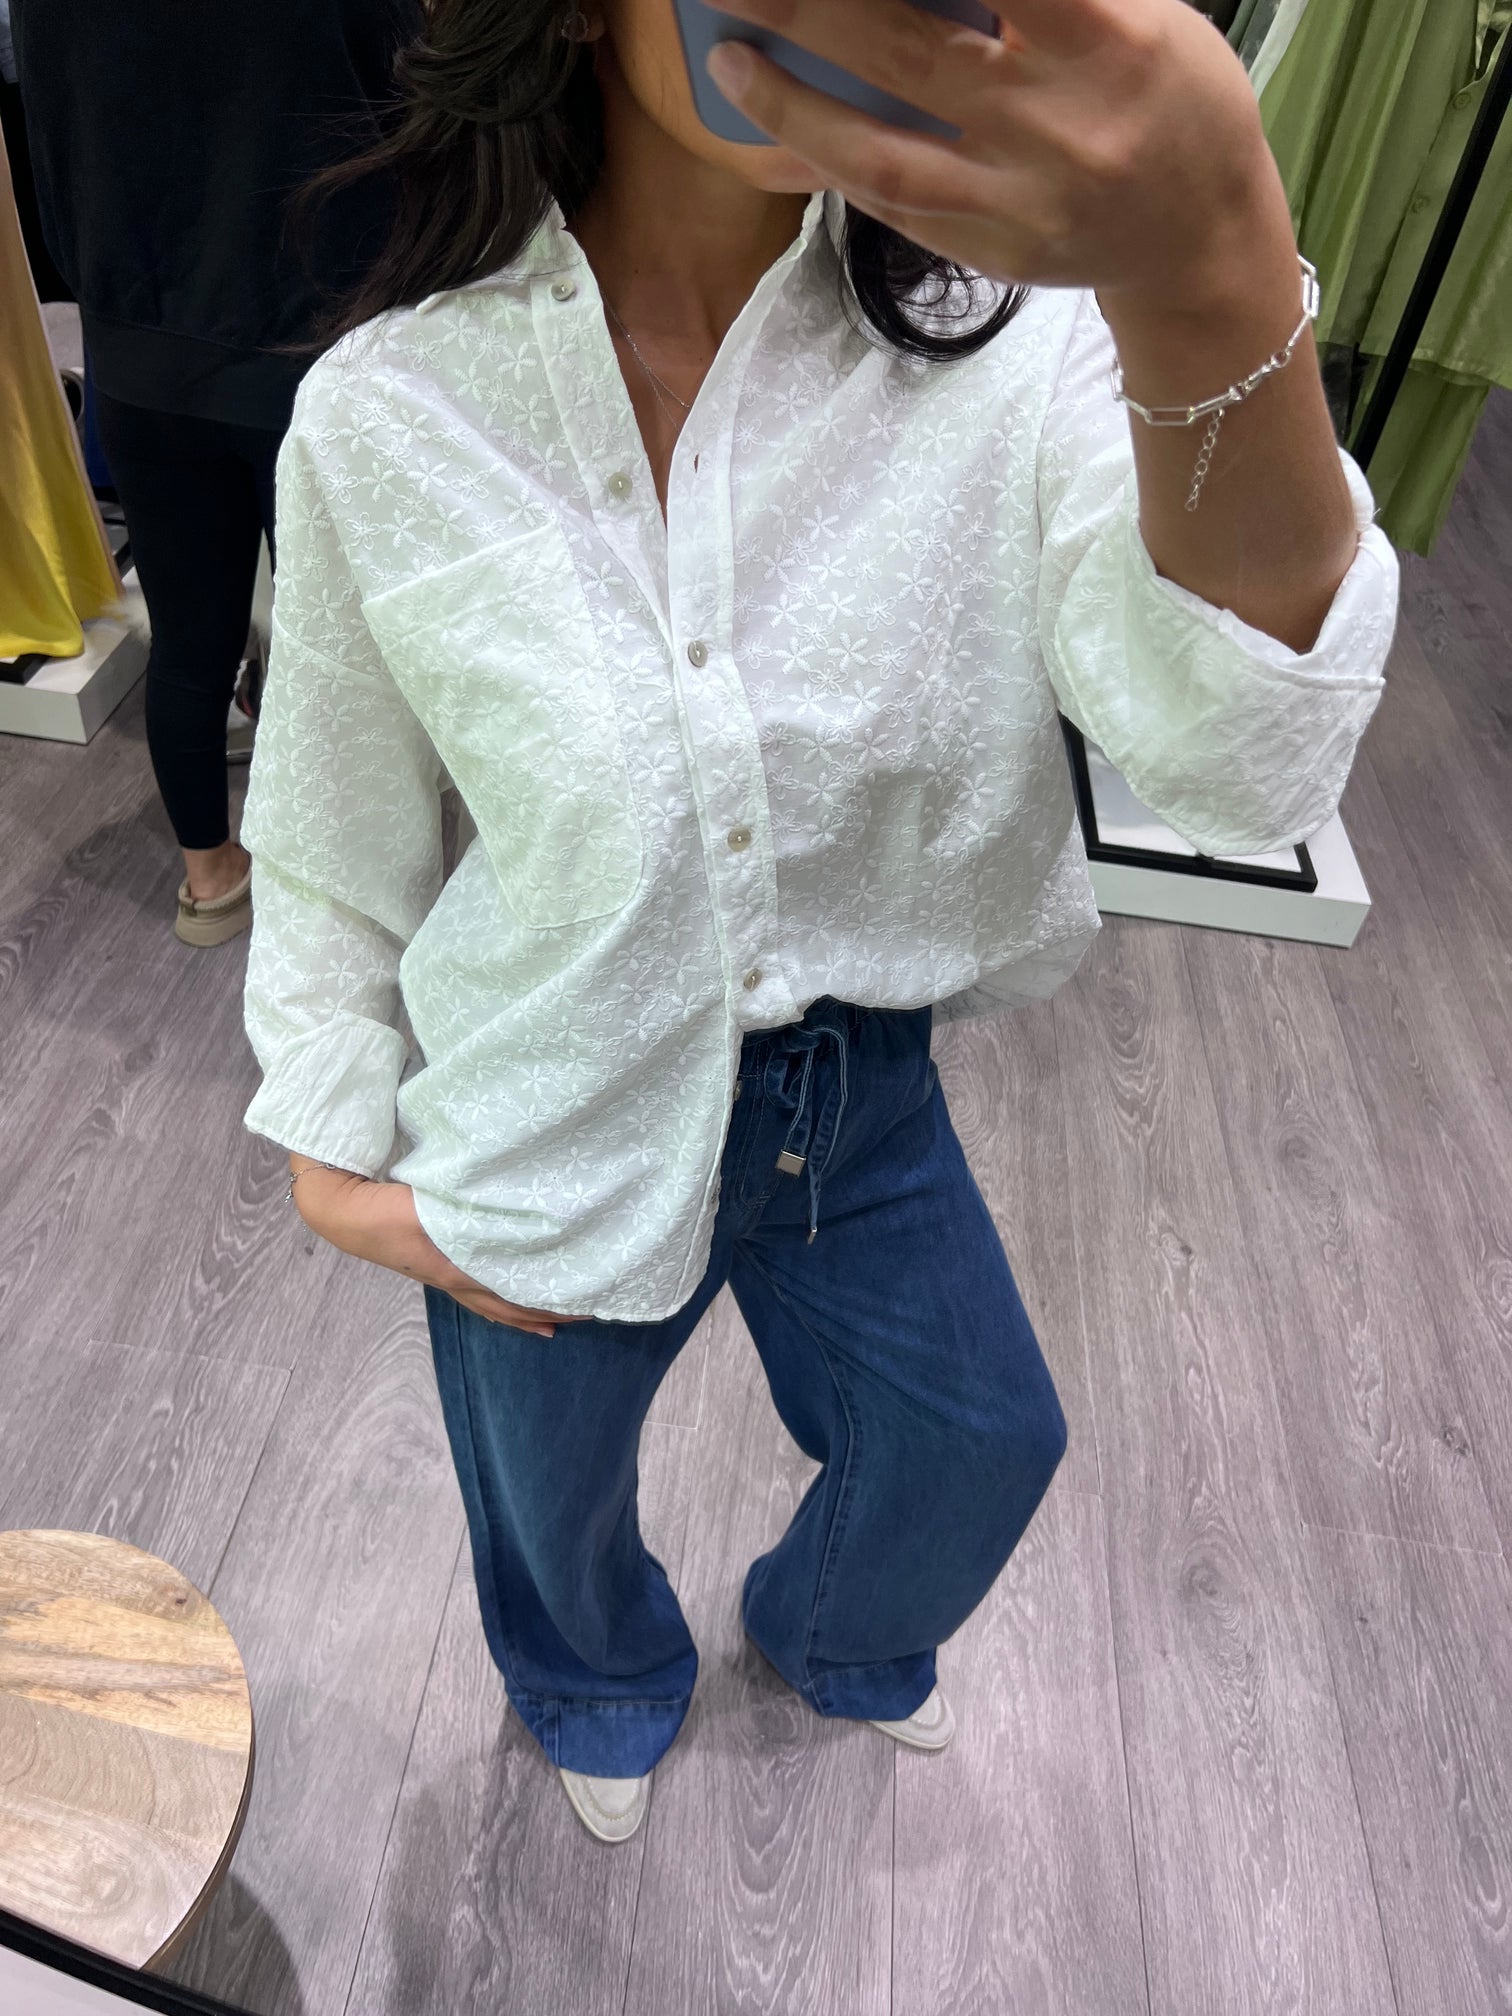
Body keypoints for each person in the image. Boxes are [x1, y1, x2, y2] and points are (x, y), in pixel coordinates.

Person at [241, 0, 1398, 1844]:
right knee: (546, 1492)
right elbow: (330, 826)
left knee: (979, 1442)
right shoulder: (394, 412)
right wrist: (331, 1149)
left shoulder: (1030, 355)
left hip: (860, 1099)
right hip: (551, 1093)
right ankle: (593, 1680)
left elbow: (1247, 764)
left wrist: (1213, 268)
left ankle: (834, 1634)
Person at [9, 0, 421, 945]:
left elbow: (48, 142)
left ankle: (210, 878)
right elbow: (404, 97)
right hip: (313, 342)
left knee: (191, 644)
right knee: (340, 651)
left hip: (139, 351)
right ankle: (345, 892)